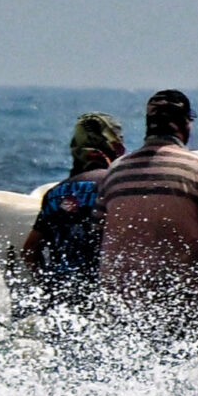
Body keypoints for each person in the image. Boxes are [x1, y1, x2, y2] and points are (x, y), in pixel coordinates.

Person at [96, 89, 198, 337]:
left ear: (148, 126)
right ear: (186, 124)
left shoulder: (115, 172)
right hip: (178, 304)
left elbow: (97, 233)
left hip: (118, 303)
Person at [20, 111, 125, 302]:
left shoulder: (55, 194)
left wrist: (45, 285)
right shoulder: (117, 188)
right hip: (103, 299)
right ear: (116, 147)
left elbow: (29, 249)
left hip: (61, 297)